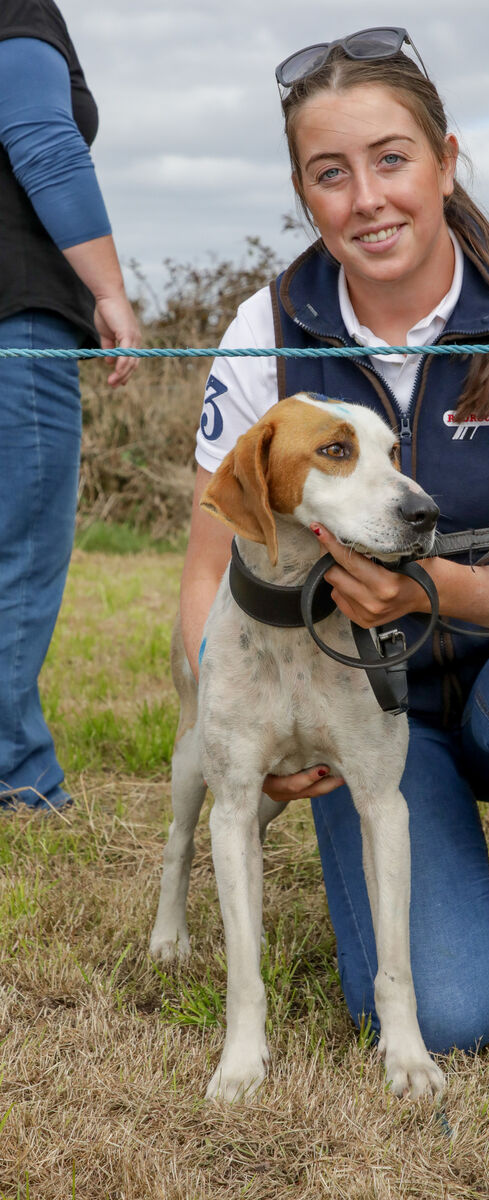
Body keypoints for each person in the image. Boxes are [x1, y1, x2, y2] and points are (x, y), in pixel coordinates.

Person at [183, 28, 489, 1053]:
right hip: (367, 704)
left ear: (445, 159)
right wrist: (236, 726)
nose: (367, 198)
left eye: (392, 159)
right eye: (330, 174)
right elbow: (209, 565)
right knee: (446, 1018)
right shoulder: (264, 325)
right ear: (305, 195)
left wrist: (419, 590)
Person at [0, 0, 141, 811]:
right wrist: (109, 291)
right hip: (15, 317)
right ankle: (18, 778)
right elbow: (45, 144)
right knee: (17, 557)